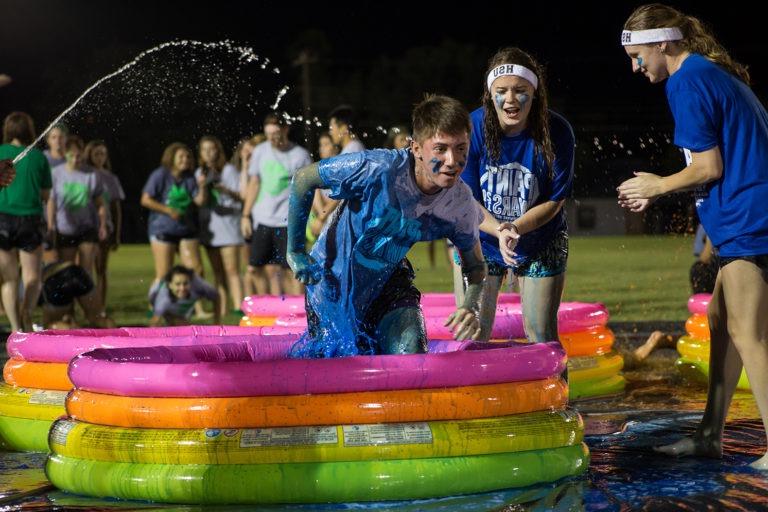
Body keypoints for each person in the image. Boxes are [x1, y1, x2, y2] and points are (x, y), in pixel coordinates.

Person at [616, 4, 768, 469]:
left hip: (749, 219)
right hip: (747, 216)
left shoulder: (687, 80)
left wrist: (655, 186)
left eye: (638, 55)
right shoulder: (708, 73)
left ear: (664, 42)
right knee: (722, 324)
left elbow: (708, 166)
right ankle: (708, 436)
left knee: (750, 334)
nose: (635, 67)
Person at [286, 94, 512, 358]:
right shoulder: (376, 168)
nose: (452, 160)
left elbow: (475, 267)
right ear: (416, 148)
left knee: (413, 355)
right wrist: (296, 251)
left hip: (388, 283)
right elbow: (303, 179)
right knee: (339, 368)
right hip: (331, 282)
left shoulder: (460, 203)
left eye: (461, 148)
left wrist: (472, 304)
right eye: (440, 149)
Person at [460, 47, 575, 343]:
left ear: (534, 93)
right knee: (473, 335)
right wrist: (499, 229)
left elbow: (554, 201)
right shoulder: (472, 128)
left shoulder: (558, 132)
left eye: (520, 90)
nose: (510, 99)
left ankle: (556, 390)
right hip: (482, 239)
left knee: (541, 332)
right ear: (490, 94)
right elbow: (466, 200)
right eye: (502, 91)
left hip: (541, 238)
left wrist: (515, 228)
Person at [241, 114, 312, 296]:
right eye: (268, 135)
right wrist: (245, 215)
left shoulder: (300, 156)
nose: (272, 139)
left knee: (291, 270)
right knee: (254, 268)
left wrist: (312, 217)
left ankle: (297, 310)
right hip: (263, 220)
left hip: (288, 222)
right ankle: (266, 307)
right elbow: (254, 183)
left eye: (276, 134)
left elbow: (310, 189)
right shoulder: (260, 151)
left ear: (286, 130)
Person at [0, 112, 51, 332]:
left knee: (9, 279)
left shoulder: (0, 153)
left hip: (2, 219)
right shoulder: (38, 156)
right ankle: (27, 314)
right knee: (33, 277)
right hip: (29, 219)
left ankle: (14, 327)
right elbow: (46, 195)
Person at [140, 142, 206, 303]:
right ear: (171, 158)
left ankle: (192, 307)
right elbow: (145, 200)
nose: (186, 159)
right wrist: (168, 210)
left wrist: (202, 185)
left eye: (188, 156)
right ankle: (155, 308)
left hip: (186, 229)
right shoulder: (160, 175)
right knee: (163, 274)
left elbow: (199, 201)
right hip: (163, 229)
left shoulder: (190, 178)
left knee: (196, 271)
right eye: (181, 156)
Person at [195, 135, 245, 316]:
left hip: (229, 228)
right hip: (211, 231)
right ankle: (222, 310)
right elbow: (199, 202)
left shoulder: (229, 171)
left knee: (232, 270)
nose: (209, 153)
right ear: (200, 153)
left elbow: (242, 196)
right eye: (205, 149)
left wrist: (225, 190)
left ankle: (239, 308)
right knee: (218, 273)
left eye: (212, 149)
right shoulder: (199, 173)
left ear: (218, 150)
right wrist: (202, 186)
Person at [84, 140, 124, 315]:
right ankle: (86, 307)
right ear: (89, 155)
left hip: (103, 228)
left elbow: (116, 207)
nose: (100, 157)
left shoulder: (110, 178)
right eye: (96, 154)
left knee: (101, 269)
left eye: (103, 154)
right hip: (84, 227)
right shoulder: (83, 174)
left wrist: (116, 234)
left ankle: (100, 308)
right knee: (85, 270)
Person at [39, 261, 115, 329]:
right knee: (99, 317)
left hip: (55, 279)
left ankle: (78, 336)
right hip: (76, 272)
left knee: (51, 325)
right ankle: (117, 337)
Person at [149, 265, 220, 326]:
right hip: (158, 299)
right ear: (170, 285)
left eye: (185, 283)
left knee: (182, 325)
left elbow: (216, 297)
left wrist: (217, 323)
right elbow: (154, 323)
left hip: (178, 309)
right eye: (178, 284)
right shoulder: (164, 300)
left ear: (191, 282)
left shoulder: (199, 286)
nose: (182, 288)